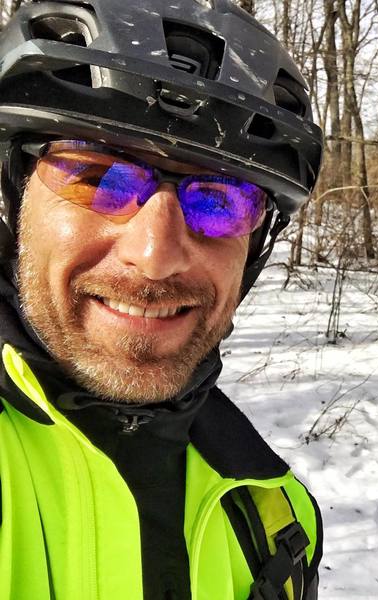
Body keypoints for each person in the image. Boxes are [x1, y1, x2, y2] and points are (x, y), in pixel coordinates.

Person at [0, 1, 324, 598]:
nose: (156, 254)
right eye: (98, 178)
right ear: (11, 201)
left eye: (220, 201)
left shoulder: (274, 518)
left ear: (253, 251)